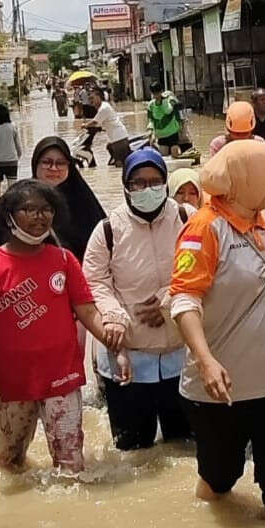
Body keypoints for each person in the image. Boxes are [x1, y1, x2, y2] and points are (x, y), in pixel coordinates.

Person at [168, 140, 265, 508]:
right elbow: (184, 298)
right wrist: (205, 359)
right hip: (221, 390)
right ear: (246, 178)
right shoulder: (205, 229)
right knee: (219, 481)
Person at [0, 179, 121, 474]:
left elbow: (87, 310)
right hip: (10, 385)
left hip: (62, 378)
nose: (39, 216)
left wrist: (115, 346)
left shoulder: (64, 260)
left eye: (46, 209)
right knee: (10, 462)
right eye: (29, 209)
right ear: (9, 216)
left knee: (71, 465)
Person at [82, 147, 191, 451]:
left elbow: (203, 266)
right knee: (133, 453)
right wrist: (115, 316)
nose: (147, 189)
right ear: (126, 187)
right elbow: (93, 282)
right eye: (138, 183)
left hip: (182, 356)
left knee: (187, 447)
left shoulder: (186, 218)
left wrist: (168, 301)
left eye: (155, 181)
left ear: (166, 182)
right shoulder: (108, 230)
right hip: (127, 358)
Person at [0, 136, 107, 290]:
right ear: (35, 164)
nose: (53, 168)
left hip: (80, 288)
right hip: (28, 289)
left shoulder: (83, 200)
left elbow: (107, 248)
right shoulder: (17, 200)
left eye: (60, 163)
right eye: (46, 162)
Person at [87, 87, 133, 167]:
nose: (91, 101)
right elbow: (105, 122)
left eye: (92, 98)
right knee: (109, 146)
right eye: (89, 98)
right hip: (117, 137)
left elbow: (95, 122)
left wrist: (84, 125)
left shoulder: (103, 108)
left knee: (120, 165)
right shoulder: (104, 106)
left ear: (98, 97)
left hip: (118, 138)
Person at [147, 82, 191, 155]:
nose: (156, 96)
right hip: (161, 134)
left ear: (161, 91)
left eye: (157, 93)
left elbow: (169, 111)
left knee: (175, 153)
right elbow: (151, 120)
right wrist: (151, 131)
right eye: (154, 93)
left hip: (173, 132)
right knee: (163, 155)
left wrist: (162, 102)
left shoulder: (170, 100)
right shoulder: (151, 105)